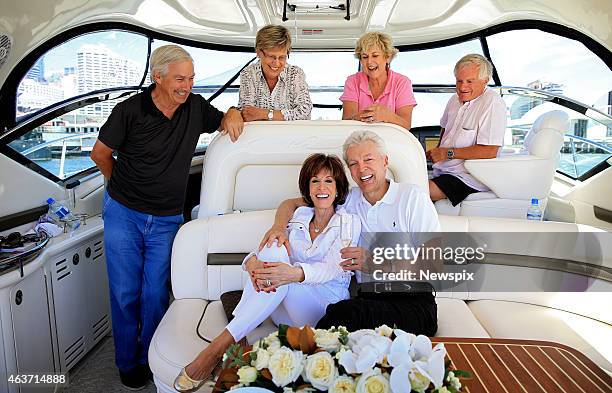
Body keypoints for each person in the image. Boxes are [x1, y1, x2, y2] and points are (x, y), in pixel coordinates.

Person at [90, 44, 243, 390]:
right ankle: (128, 364)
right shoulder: (129, 111)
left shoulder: (195, 108)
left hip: (166, 220)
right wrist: (121, 187)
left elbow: (226, 118)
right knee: (126, 292)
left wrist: (232, 111)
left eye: (190, 78)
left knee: (157, 292)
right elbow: (100, 154)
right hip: (124, 214)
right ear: (158, 77)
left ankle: (150, 358)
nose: (186, 85)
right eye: (179, 78)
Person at [173, 154, 361, 392]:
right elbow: (266, 254)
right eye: (315, 181)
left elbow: (333, 268)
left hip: (321, 309)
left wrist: (293, 274)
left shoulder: (349, 222)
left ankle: (216, 349)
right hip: (282, 307)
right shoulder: (300, 215)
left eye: (329, 181)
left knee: (282, 278)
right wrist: (250, 262)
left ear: (338, 188)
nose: (321, 187)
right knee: (274, 244)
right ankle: (233, 336)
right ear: (307, 187)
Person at [261, 130, 440, 334]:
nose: (362, 168)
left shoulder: (412, 198)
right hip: (369, 298)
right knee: (342, 312)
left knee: (344, 313)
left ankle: (304, 356)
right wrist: (278, 227)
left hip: (412, 301)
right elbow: (291, 204)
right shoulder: (348, 199)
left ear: (385, 161)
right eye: (353, 164)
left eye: (368, 159)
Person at [427, 53, 507, 206]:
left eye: (469, 81)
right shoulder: (454, 100)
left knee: (417, 191)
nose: (462, 87)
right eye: (459, 81)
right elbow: (445, 128)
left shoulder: (492, 103)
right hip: (443, 169)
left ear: (485, 80)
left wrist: (446, 153)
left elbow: (489, 151)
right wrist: (437, 149)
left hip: (467, 177)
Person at [341, 32, 416, 129]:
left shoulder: (402, 82)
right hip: (359, 140)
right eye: (365, 57)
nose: (369, 62)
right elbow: (346, 123)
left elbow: (406, 125)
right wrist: (365, 116)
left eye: (375, 55)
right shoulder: (352, 81)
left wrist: (387, 116)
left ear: (387, 57)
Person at [238, 24, 312, 121]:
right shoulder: (248, 74)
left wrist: (266, 114)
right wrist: (283, 115)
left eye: (282, 57)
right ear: (259, 52)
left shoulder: (295, 74)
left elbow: (305, 111)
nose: (276, 63)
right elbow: (247, 114)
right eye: (271, 56)